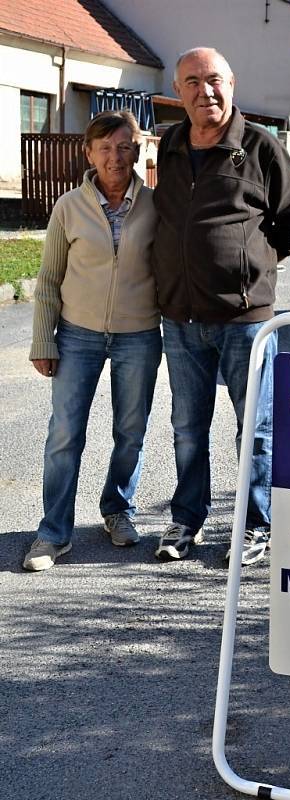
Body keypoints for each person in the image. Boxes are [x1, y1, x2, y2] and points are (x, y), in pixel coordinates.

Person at [152, 47, 290, 565]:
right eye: (193, 82)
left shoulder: (260, 147)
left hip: (245, 322)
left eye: (215, 80)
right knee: (186, 427)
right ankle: (187, 520)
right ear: (179, 92)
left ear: (232, 83)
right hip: (180, 319)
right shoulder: (171, 146)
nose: (206, 91)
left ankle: (255, 524)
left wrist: (255, 266)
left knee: (256, 429)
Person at [23, 110, 162, 572]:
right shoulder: (68, 207)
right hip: (77, 334)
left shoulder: (157, 206)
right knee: (64, 434)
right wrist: (44, 339)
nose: (115, 157)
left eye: (124, 147)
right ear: (88, 153)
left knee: (131, 431)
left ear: (138, 151)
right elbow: (48, 281)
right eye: (104, 148)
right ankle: (53, 533)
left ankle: (118, 510)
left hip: (139, 334)